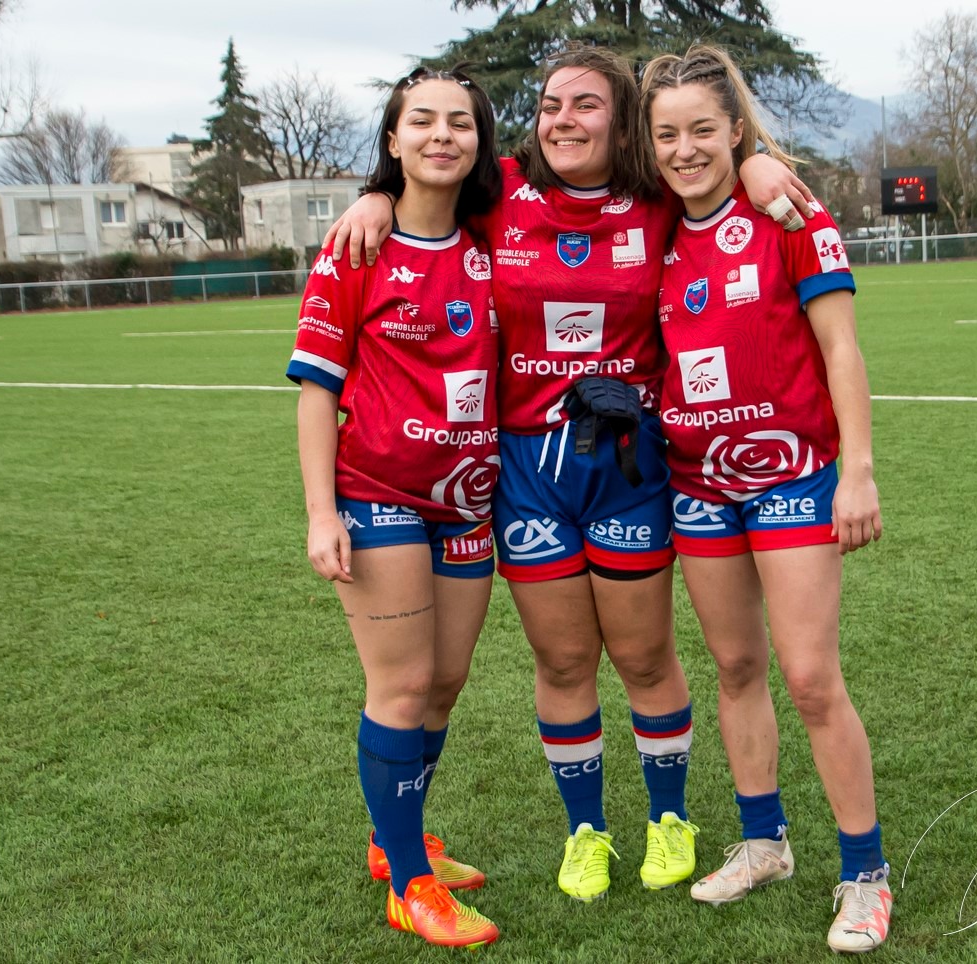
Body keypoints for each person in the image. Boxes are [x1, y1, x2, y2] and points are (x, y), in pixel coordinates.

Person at [326, 44, 815, 903]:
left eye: (587, 105)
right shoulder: (500, 196)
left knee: (646, 654)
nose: (564, 120)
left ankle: (670, 819)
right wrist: (373, 190)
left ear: (620, 119)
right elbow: (423, 187)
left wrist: (761, 162)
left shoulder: (657, 198)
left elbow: (707, 163)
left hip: (627, 464)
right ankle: (584, 834)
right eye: (552, 105)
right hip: (525, 470)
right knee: (561, 663)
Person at [641, 45, 892, 953]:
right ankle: (763, 843)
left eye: (704, 130)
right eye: (666, 134)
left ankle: (865, 873)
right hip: (697, 485)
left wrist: (856, 467)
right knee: (736, 671)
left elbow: (842, 350)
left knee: (811, 677)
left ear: (736, 130)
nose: (684, 149)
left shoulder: (785, 206)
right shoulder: (655, 229)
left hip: (791, 478)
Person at [288, 67, 503, 949]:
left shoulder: (498, 236)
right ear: (393, 140)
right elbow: (314, 389)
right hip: (378, 497)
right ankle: (410, 883)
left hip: (471, 501)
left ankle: (394, 839)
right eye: (423, 121)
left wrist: (754, 162)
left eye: (460, 122)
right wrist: (319, 511)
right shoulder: (355, 247)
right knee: (403, 683)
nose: (442, 135)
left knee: (443, 684)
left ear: (481, 144)